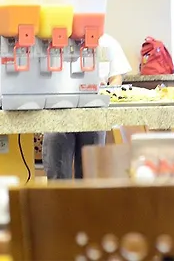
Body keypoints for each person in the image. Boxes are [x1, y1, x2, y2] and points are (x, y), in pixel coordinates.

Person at [42, 33, 132, 179]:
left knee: (91, 172)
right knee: (58, 174)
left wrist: (107, 91)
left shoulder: (108, 42)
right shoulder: (55, 39)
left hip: (94, 112)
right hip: (58, 111)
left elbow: (116, 77)